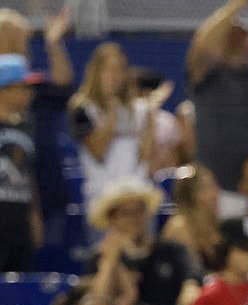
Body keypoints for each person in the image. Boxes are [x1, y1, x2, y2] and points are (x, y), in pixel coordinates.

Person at [85, 175, 201, 305]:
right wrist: (111, 262)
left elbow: (192, 279)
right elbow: (97, 303)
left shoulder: (173, 251)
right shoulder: (98, 259)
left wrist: (189, 291)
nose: (135, 218)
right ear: (112, 219)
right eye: (126, 213)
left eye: (140, 210)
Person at [186, 0, 248, 192]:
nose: (236, 37)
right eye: (228, 33)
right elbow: (201, 43)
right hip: (217, 181)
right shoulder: (206, 76)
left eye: (243, 34)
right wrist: (236, 5)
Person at [0, 6, 74, 248]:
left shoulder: (33, 86)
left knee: (38, 278)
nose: (23, 45)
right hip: (6, 207)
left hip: (44, 196)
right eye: (15, 37)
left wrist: (53, 43)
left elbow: (63, 88)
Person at [67, 42, 165, 214]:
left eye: (119, 69)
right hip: (102, 203)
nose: (114, 76)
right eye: (108, 70)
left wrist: (150, 117)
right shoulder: (82, 108)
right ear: (96, 73)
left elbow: (148, 157)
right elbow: (98, 152)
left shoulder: (142, 110)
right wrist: (112, 115)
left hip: (138, 198)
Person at [0, 53, 44, 271]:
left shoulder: (27, 125)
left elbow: (27, 173)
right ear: (4, 89)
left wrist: (34, 216)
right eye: (22, 87)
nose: (29, 94)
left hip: (19, 221)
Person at [159, 163, 223, 275]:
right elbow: (193, 273)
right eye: (209, 187)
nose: (216, 192)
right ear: (192, 194)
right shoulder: (179, 227)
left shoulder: (215, 227)